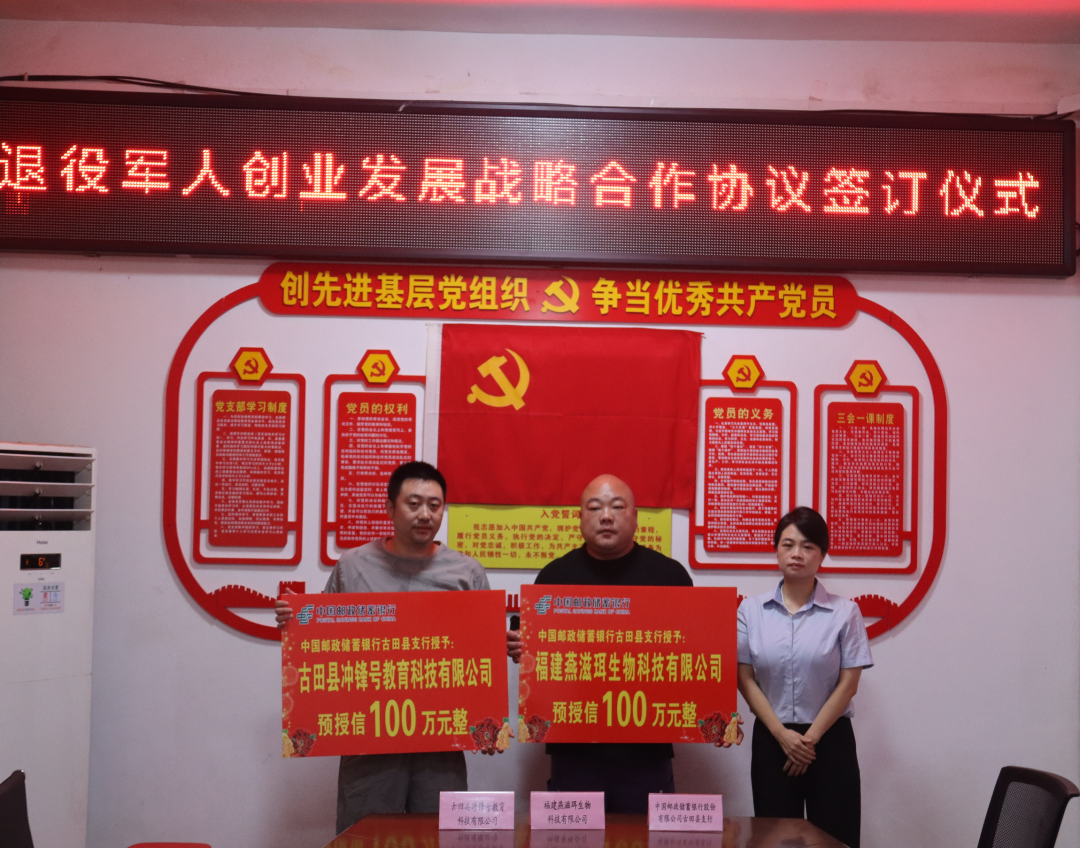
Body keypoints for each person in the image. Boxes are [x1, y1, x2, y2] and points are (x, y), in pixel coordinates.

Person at [275, 461, 491, 834]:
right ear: (390, 508)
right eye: (414, 503)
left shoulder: (466, 573)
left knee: (441, 835)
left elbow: (482, 655)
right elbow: (323, 640)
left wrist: (489, 719)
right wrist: (295, 620)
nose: (425, 514)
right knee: (364, 835)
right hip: (368, 738)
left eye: (435, 505)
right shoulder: (353, 566)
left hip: (440, 738)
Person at [506, 473, 742, 813]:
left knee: (646, 836)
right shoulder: (554, 578)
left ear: (635, 516)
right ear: (580, 517)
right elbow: (529, 647)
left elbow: (696, 657)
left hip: (647, 753)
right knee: (574, 837)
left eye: (617, 507)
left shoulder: (670, 577)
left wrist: (717, 709)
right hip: (574, 751)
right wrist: (519, 647)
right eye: (594, 508)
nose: (606, 516)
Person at [736, 507, 873, 848]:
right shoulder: (750, 611)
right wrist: (782, 736)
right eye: (788, 544)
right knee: (774, 839)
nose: (797, 553)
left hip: (829, 741)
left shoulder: (845, 612)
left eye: (808, 546)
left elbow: (849, 683)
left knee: (835, 839)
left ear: (822, 554)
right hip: (773, 740)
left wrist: (808, 741)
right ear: (776, 550)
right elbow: (745, 678)